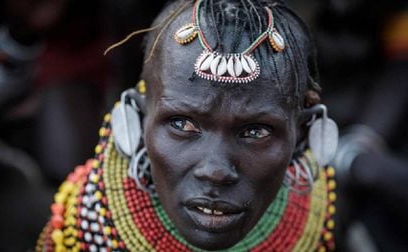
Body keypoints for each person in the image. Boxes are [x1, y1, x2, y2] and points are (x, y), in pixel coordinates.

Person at [37, 0, 338, 251]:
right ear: (137, 121)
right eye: (181, 124)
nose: (216, 170)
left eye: (255, 131)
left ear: (303, 136)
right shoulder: (84, 228)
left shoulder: (319, 215)